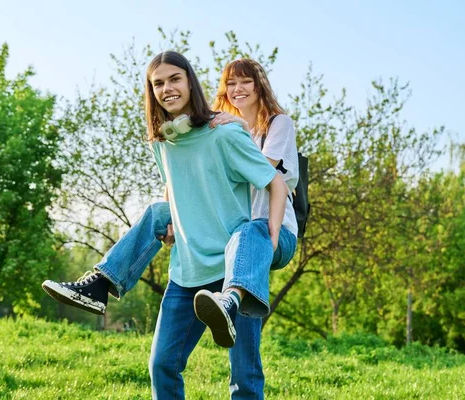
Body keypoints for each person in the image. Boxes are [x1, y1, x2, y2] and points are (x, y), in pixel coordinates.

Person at [42, 53, 299, 399]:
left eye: (175, 79)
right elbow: (172, 188)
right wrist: (175, 222)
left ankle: (230, 299)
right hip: (188, 270)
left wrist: (267, 239)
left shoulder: (228, 132)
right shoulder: (162, 142)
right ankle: (101, 283)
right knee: (162, 365)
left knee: (244, 376)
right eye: (158, 83)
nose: (167, 88)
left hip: (236, 263)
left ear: (190, 82)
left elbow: (274, 180)